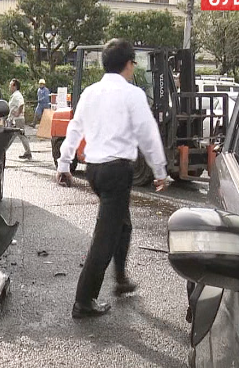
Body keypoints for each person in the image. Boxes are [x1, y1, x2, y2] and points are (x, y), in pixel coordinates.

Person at [56, 38, 167, 319]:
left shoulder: (90, 93)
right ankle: (84, 301)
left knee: (123, 224)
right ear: (129, 64)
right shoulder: (132, 95)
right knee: (104, 238)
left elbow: (74, 128)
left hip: (94, 170)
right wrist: (160, 170)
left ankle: (120, 279)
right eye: (133, 63)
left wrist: (64, 163)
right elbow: (148, 134)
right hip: (117, 171)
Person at [8, 79, 32, 159]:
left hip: (18, 119)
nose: (9, 87)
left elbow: (21, 104)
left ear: (15, 86)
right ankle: (27, 152)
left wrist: (18, 113)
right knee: (12, 135)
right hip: (15, 119)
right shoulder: (15, 95)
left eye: (10, 85)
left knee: (19, 135)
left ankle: (28, 152)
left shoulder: (17, 95)